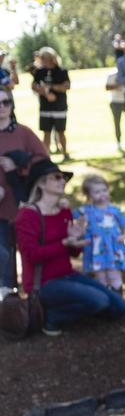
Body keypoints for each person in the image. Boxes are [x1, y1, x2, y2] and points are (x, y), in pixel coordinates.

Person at [17, 159, 125, 336]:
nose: (63, 181)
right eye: (57, 177)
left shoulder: (64, 211)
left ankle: (78, 307)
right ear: (41, 183)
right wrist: (64, 243)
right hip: (43, 284)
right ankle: (51, 317)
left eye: (63, 178)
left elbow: (73, 253)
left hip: (67, 275)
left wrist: (77, 239)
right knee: (99, 300)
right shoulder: (28, 215)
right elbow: (32, 255)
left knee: (119, 308)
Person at [0, 88, 47, 293]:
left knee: (30, 256)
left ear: (11, 105)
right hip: (0, 210)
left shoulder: (23, 133)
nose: (1, 107)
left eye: (5, 102)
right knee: (4, 260)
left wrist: (19, 166)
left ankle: (35, 304)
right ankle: (9, 311)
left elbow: (43, 162)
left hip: (23, 205)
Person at [73, 174, 125, 293]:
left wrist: (124, 235)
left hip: (112, 248)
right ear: (89, 196)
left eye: (104, 190)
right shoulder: (86, 211)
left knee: (114, 275)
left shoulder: (114, 210)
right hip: (95, 249)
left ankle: (117, 299)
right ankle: (106, 302)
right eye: (97, 192)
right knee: (101, 277)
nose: (102, 194)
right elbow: (68, 215)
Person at [32, 47, 71, 159]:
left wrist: (52, 88)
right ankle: (46, 156)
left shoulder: (61, 71)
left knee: (61, 132)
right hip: (45, 107)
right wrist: (45, 93)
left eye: (44, 57)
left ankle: (65, 153)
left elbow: (66, 86)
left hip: (59, 106)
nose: (42, 60)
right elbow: (34, 86)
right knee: (46, 133)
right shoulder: (39, 72)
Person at [105, 69, 125, 153]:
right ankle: (118, 141)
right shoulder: (112, 74)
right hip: (115, 102)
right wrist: (118, 85)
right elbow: (107, 87)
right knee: (117, 123)